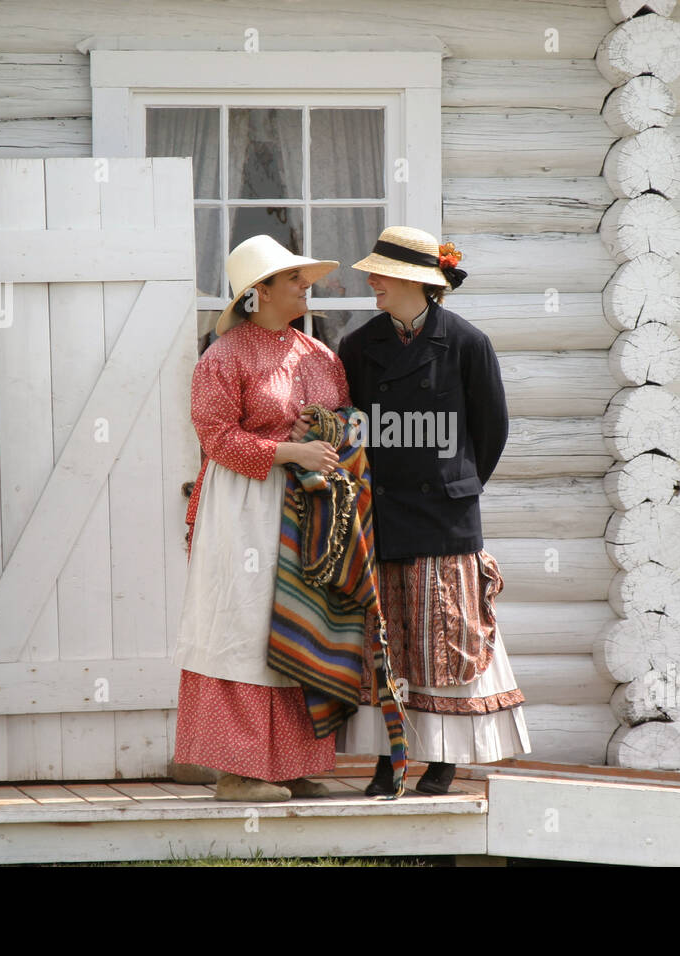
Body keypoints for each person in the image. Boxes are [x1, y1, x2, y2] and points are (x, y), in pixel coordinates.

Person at [330, 225, 532, 795]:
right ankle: (388, 758)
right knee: (388, 635)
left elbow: (491, 432)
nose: (371, 281)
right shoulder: (359, 346)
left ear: (416, 281)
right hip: (384, 512)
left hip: (445, 517)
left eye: (382, 274)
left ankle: (443, 758)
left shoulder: (468, 343)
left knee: (444, 637)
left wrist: (453, 484)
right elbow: (356, 427)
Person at [171, 234, 347, 803]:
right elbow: (217, 437)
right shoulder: (223, 357)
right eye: (293, 279)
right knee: (241, 626)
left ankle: (291, 764)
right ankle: (236, 773)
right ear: (260, 293)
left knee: (297, 624)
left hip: (305, 507)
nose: (305, 286)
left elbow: (346, 423)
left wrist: (330, 435)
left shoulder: (319, 355)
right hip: (241, 506)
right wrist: (290, 452)